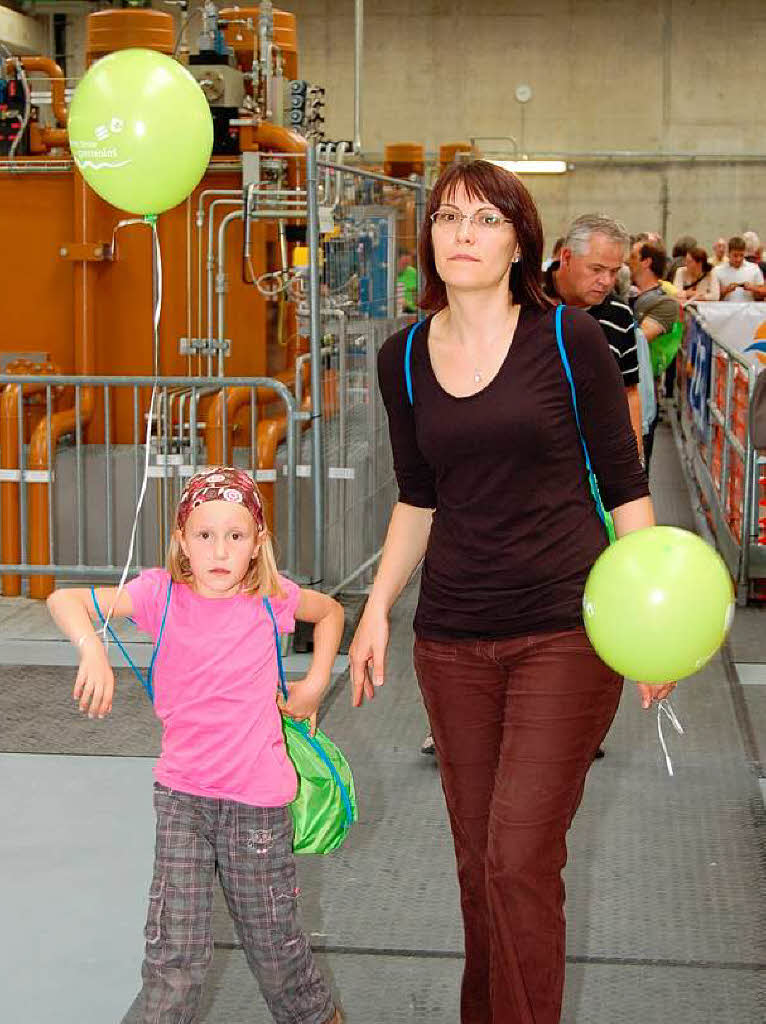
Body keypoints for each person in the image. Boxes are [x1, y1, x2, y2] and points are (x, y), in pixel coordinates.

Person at [349, 160, 674, 1024]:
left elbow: (625, 482)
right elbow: (417, 496)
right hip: (452, 640)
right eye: (449, 217)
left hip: (565, 630)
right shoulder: (403, 358)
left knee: (519, 856)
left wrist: (652, 627)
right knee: (475, 863)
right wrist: (377, 608)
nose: (463, 234)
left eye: (487, 220)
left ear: (522, 241)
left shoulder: (569, 341)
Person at [47, 467, 344, 1024]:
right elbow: (64, 601)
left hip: (258, 810)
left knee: (277, 952)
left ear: (258, 545)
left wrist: (316, 682)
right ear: (182, 540)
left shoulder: (271, 599)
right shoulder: (160, 593)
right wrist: (92, 651)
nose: (220, 550)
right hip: (182, 801)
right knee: (172, 951)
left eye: (236, 535)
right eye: (205, 535)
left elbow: (330, 613)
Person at [543, 213, 643, 460]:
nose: (606, 281)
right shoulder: (522, 303)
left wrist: (635, 458)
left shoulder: (619, 315)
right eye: (596, 269)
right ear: (566, 257)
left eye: (614, 272)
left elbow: (629, 391)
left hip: (592, 461)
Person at [628, 237, 681, 468]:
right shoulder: (627, 295)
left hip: (641, 392)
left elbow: (637, 337)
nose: (627, 261)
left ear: (646, 262)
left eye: (632, 256)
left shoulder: (665, 303)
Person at [714, 235, 765, 301]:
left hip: (749, 310)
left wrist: (753, 288)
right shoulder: (718, 270)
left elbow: (763, 294)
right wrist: (725, 290)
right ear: (728, 254)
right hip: (725, 310)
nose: (738, 259)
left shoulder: (754, 268)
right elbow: (713, 297)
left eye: (741, 255)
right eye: (735, 255)